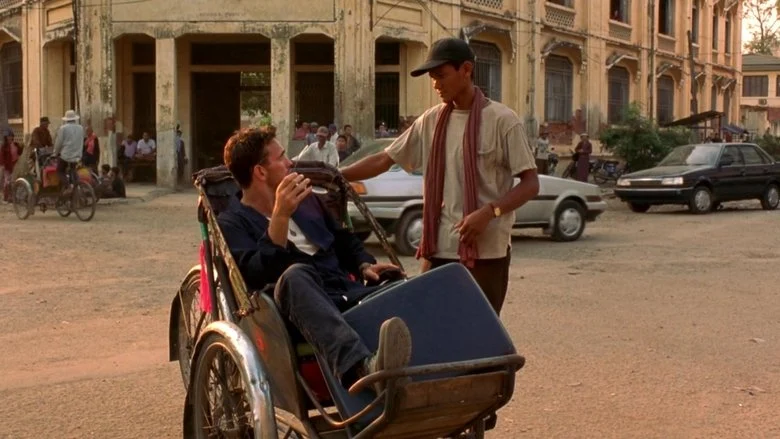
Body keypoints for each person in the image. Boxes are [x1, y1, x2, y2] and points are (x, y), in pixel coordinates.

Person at [341, 37, 539, 315]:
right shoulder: (430, 121)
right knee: (430, 324)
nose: (435, 84)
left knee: (479, 330)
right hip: (439, 249)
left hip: (486, 252)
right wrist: (335, 174)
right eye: (432, 78)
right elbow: (385, 159)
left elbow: (530, 184)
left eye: (441, 76)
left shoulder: (502, 120)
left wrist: (489, 212)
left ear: (466, 70)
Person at [218, 126, 412, 391]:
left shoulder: (306, 200)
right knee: (294, 275)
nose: (290, 163)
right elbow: (256, 276)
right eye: (282, 157)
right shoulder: (232, 222)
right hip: (295, 313)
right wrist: (280, 216)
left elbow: (342, 238)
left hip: (344, 293)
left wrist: (364, 263)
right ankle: (360, 370)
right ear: (260, 172)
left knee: (400, 284)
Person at [53, 110, 85, 194]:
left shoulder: (63, 128)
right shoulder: (80, 128)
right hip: (77, 154)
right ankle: (78, 185)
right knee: (73, 169)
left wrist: (55, 153)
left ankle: (68, 186)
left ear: (66, 119)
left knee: (60, 171)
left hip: (66, 155)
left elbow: (59, 143)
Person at [0, 130, 21, 202]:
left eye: (11, 136)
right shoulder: (4, 146)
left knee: (14, 181)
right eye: (8, 136)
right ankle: (6, 197)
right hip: (7, 166)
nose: (10, 137)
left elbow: (20, 152)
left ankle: (13, 196)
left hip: (15, 165)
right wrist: (3, 165)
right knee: (7, 181)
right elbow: (2, 156)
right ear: (6, 137)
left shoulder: (16, 144)